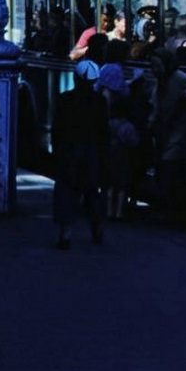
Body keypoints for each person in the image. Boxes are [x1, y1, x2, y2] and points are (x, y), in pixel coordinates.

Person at [52, 59, 109, 249]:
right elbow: (103, 132)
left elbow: (57, 129)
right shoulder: (100, 102)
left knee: (66, 191)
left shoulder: (64, 99)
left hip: (69, 150)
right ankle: (97, 228)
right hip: (92, 151)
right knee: (92, 191)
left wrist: (57, 151)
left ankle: (66, 232)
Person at [150, 48, 186, 221]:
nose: (154, 69)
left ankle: (169, 206)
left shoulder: (180, 79)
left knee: (168, 164)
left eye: (157, 65)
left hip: (179, 128)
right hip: (167, 128)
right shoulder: (162, 81)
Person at [96, 62, 136, 219]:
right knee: (120, 185)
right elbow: (133, 141)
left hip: (108, 152)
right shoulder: (126, 126)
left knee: (108, 184)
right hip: (122, 156)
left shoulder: (108, 122)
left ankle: (107, 210)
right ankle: (118, 212)